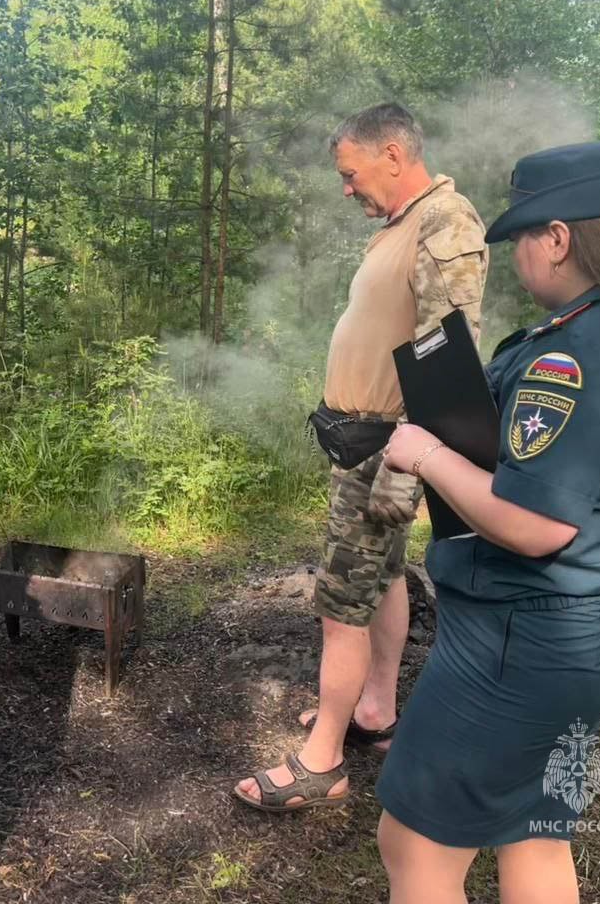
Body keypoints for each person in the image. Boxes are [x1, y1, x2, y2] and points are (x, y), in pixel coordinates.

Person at [373, 139, 600, 903]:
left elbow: (536, 525)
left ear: (559, 237)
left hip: (517, 640)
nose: (519, 258)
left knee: (416, 844)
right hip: (589, 629)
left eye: (522, 239)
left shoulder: (574, 355)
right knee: (531, 832)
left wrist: (425, 452)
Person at [235, 103, 489, 812]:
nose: (346, 187)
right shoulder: (402, 226)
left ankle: (322, 764)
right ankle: (374, 709)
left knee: (341, 601)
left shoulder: (446, 221)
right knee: (383, 578)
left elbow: (449, 355)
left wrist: (407, 471)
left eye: (351, 173)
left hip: (387, 448)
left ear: (393, 156)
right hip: (366, 443)